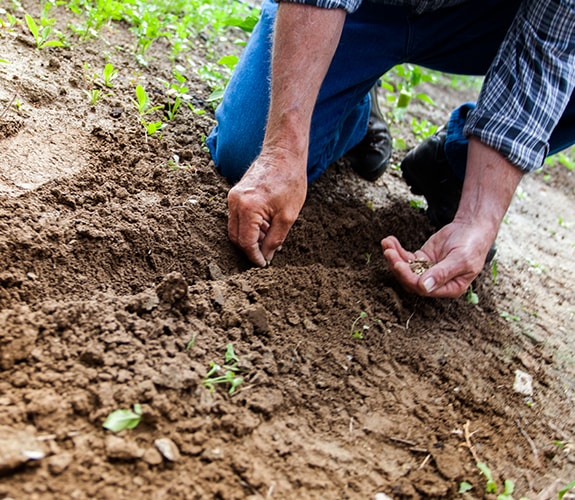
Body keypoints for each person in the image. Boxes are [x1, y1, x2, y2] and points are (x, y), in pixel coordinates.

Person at [206, 0, 575, 298]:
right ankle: (354, 108)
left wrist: (478, 218)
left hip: (483, 20)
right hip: (365, 9)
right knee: (247, 152)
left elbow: (549, 50)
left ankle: (455, 167)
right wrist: (282, 151)